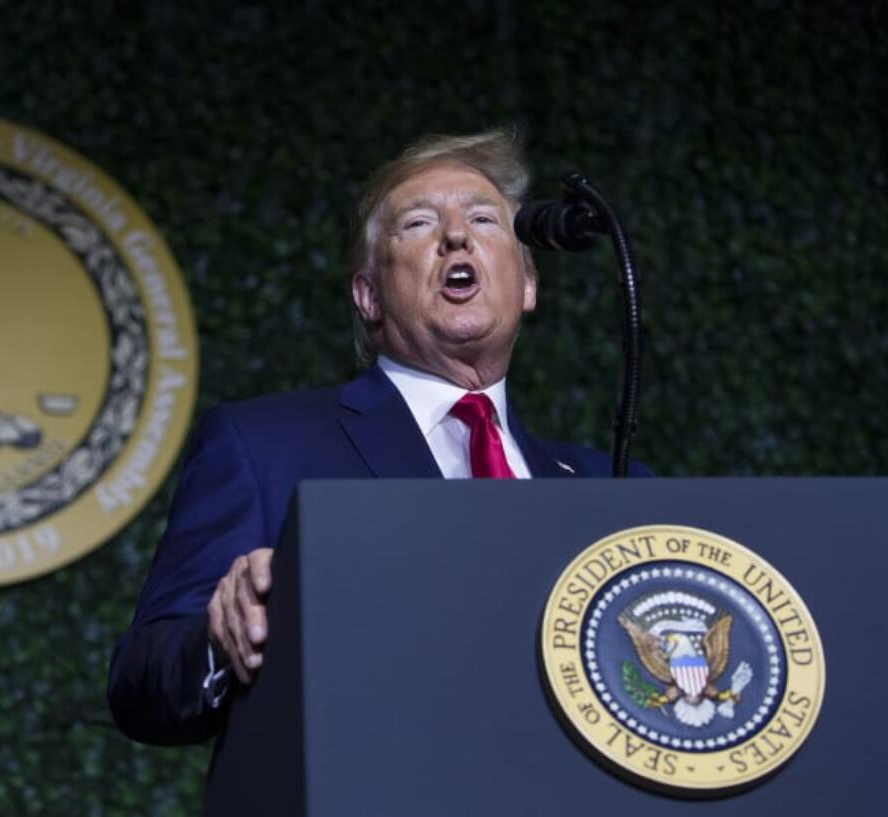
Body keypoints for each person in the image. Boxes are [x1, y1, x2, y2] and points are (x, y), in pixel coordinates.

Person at [108, 130, 650, 746]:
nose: (456, 234)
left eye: (483, 218)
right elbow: (140, 685)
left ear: (528, 285)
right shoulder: (260, 444)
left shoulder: (615, 484)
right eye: (418, 223)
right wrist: (216, 636)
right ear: (367, 296)